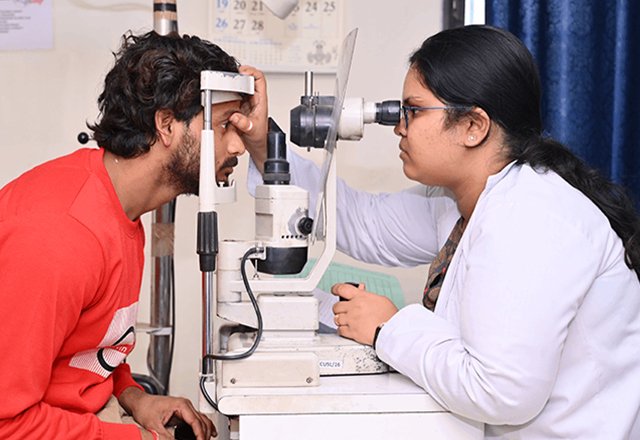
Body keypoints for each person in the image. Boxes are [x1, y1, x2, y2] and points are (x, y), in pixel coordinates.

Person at [246, 25, 640, 438]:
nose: (399, 127)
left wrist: (386, 328)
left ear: (473, 125)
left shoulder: (532, 218)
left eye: (413, 111)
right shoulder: (463, 200)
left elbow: (501, 391)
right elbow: (361, 221)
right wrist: (262, 144)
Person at [0, 30, 265, 440]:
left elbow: (88, 350)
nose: (238, 147)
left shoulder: (120, 209)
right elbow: (7, 421)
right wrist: (136, 438)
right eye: (223, 125)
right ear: (166, 124)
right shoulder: (60, 236)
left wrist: (134, 398)